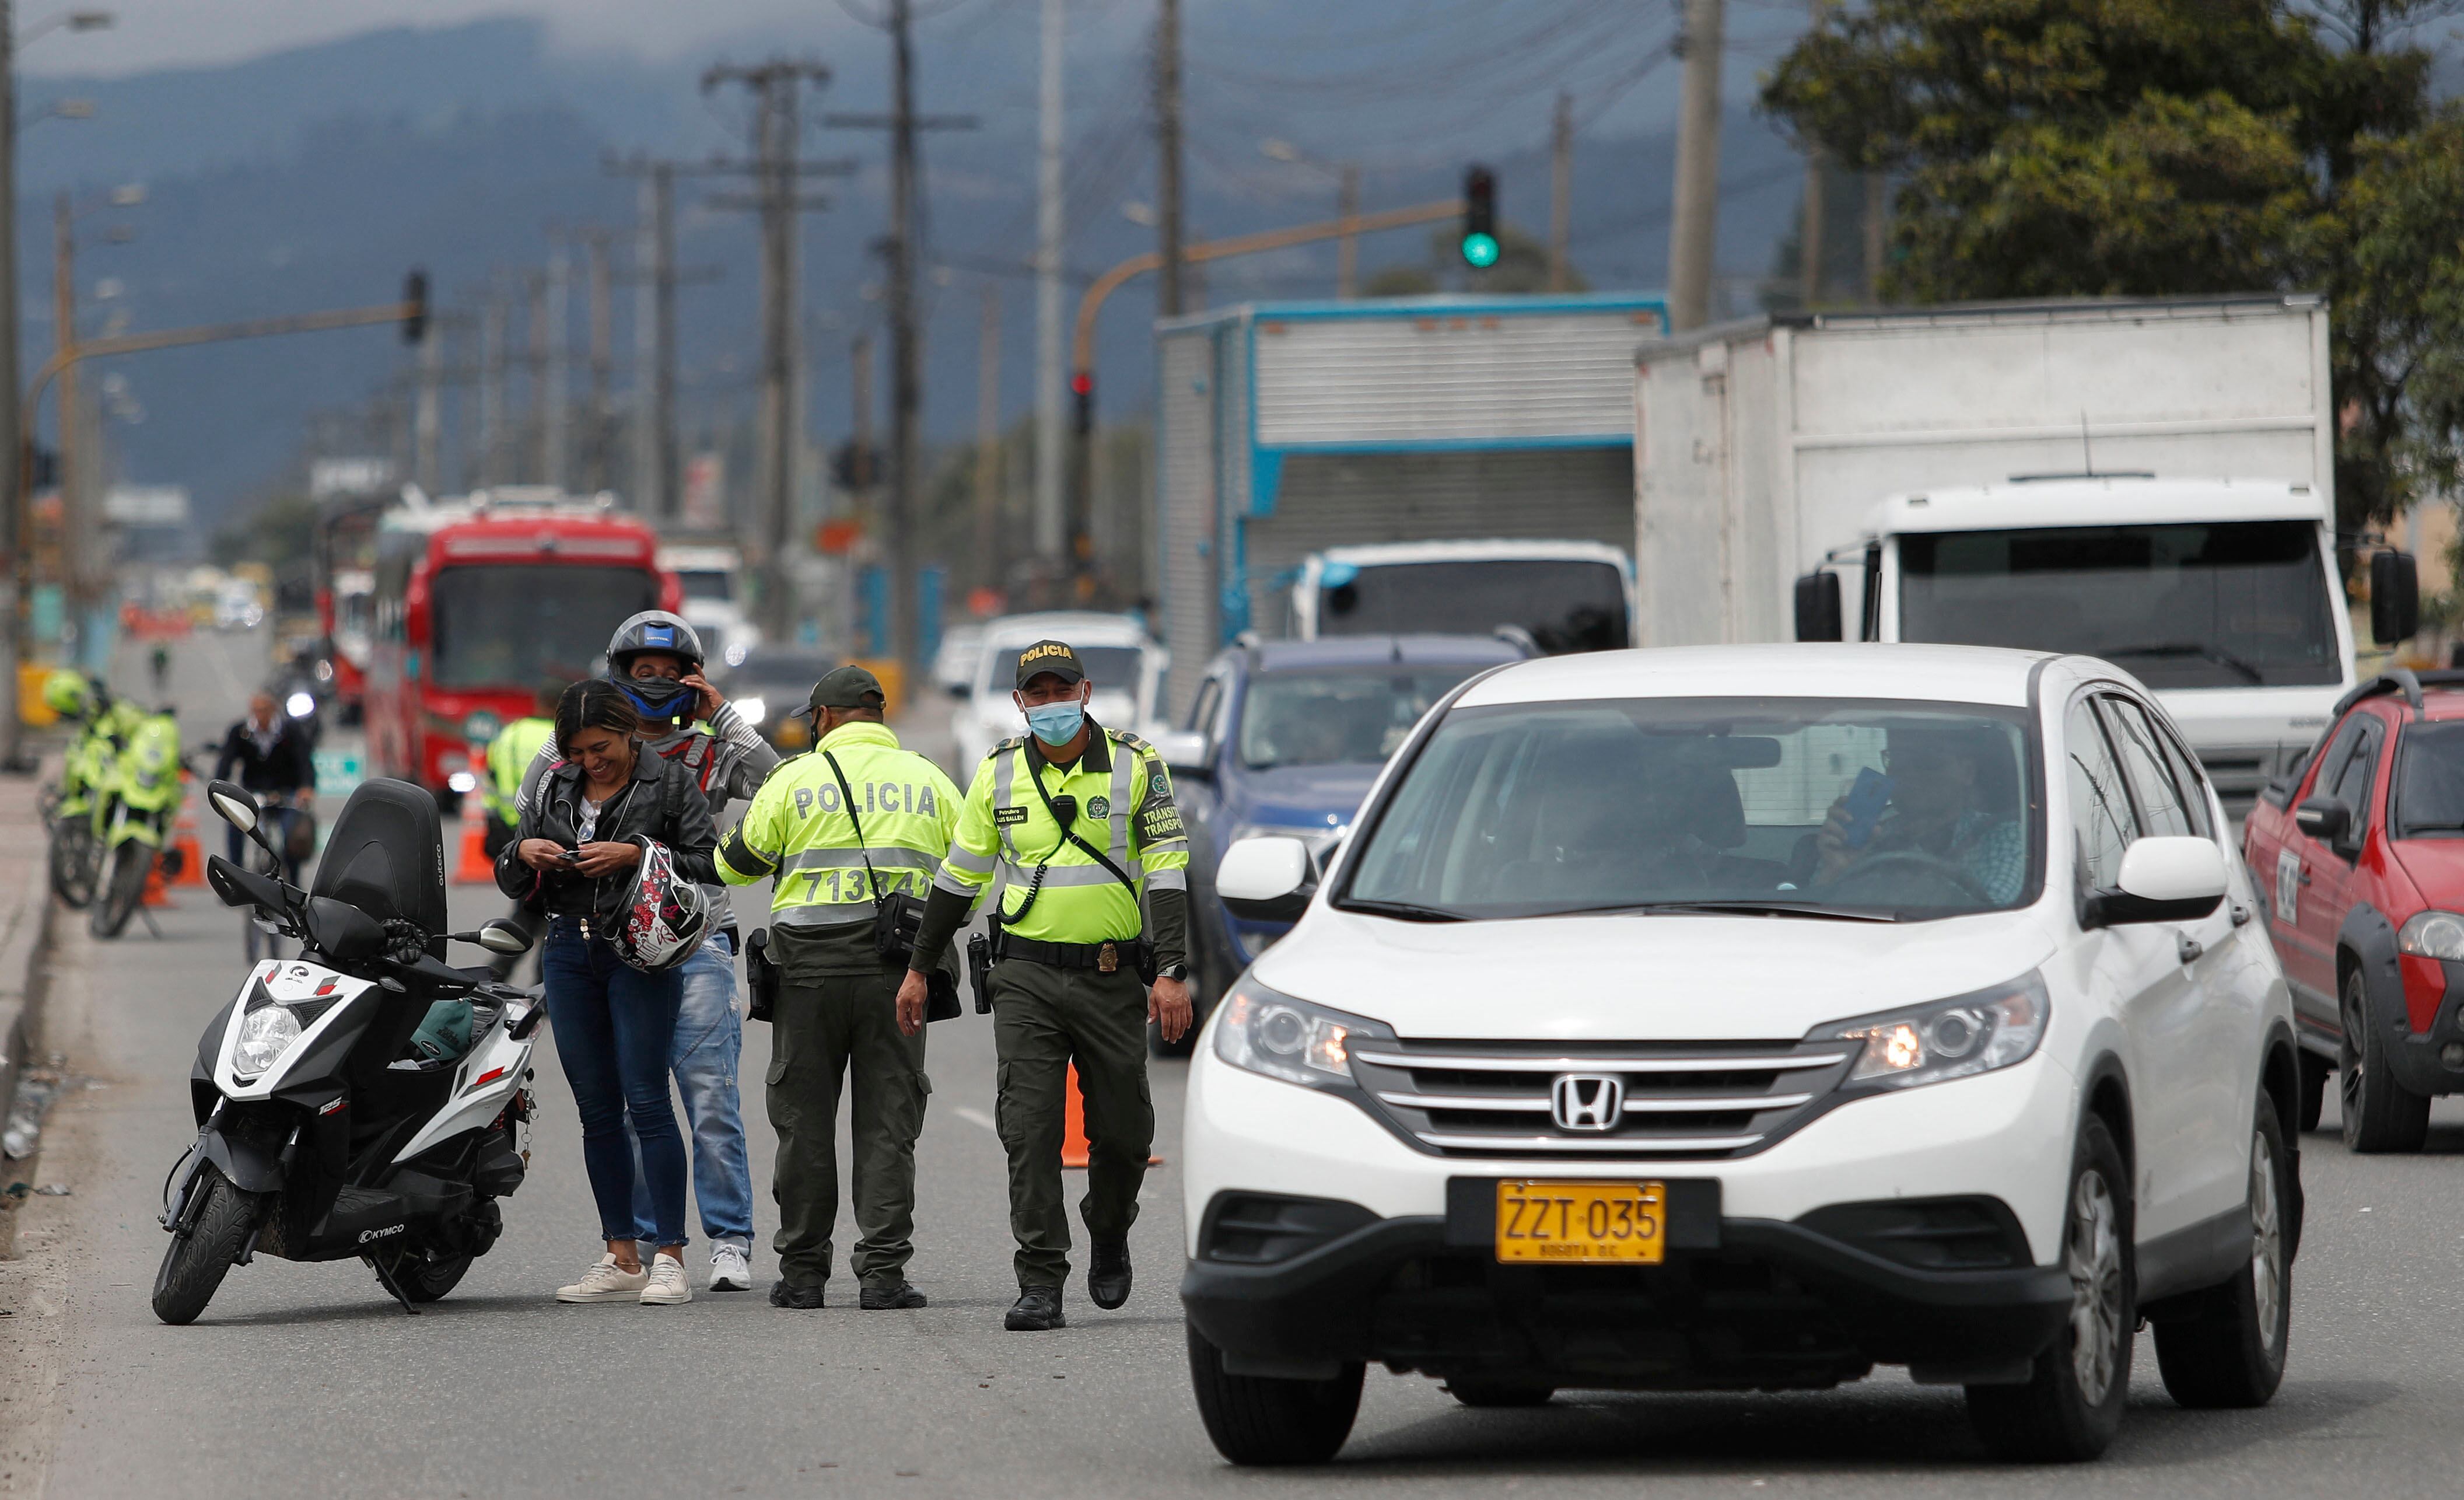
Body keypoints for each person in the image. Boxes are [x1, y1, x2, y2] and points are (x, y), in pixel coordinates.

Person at [900, 639, 1194, 1332]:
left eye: (1064, 692)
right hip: (1025, 975)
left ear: (1086, 693)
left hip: (1112, 975)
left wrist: (1174, 973)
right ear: (1019, 703)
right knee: (1029, 1129)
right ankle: (1041, 1278)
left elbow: (1168, 868)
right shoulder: (999, 774)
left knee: (1123, 1136)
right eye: (1040, 694)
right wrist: (918, 967)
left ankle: (1110, 1223)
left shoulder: (1136, 763)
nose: (1052, 704)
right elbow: (959, 878)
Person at [512, 612, 774, 1293]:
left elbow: (779, 792)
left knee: (706, 1097)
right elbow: (527, 814)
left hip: (695, 938)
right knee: (614, 1105)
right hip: (600, 944)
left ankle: (726, 1241)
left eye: (670, 674)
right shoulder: (571, 758)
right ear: (618, 679)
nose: (656, 685)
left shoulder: (706, 755)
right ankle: (631, 1246)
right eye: (641, 674)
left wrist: (727, 718)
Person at [716, 665, 962, 1311]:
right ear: (877, 716)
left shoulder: (793, 780)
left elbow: (733, 865)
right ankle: (882, 1276)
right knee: (888, 1126)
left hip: (807, 980)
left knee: (804, 1127)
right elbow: (969, 881)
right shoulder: (931, 781)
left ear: (822, 719)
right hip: (900, 976)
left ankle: (802, 1276)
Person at [496, 679, 720, 1306]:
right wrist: (525, 852)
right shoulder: (554, 784)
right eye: (579, 753)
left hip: (639, 948)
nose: (592, 763)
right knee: (596, 1107)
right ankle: (620, 1255)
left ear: (627, 732)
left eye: (602, 749)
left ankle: (669, 1256)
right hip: (568, 949)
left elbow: (709, 863)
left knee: (647, 1099)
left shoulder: (669, 783)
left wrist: (635, 852)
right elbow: (505, 868)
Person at [1810, 725, 2024, 905]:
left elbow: (1994, 920)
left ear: (1967, 772)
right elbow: (1815, 922)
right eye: (1897, 760)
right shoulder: (1866, 839)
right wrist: (1836, 870)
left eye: (1927, 762)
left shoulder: (2002, 838)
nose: (1908, 774)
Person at [212, 690, 316, 883]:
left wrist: (306, 787)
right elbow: (226, 761)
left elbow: (304, 762)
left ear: (274, 710)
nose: (261, 716)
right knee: (235, 823)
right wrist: (220, 786)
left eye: (265, 710)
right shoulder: (240, 732)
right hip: (253, 794)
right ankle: (235, 876)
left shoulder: (289, 731)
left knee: (291, 835)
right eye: (256, 711)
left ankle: (294, 882)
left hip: (284, 793)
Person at [483, 682, 564, 858]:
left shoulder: (508, 733)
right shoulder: (558, 738)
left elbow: (490, 781)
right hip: (545, 829)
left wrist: (491, 820)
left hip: (506, 826)